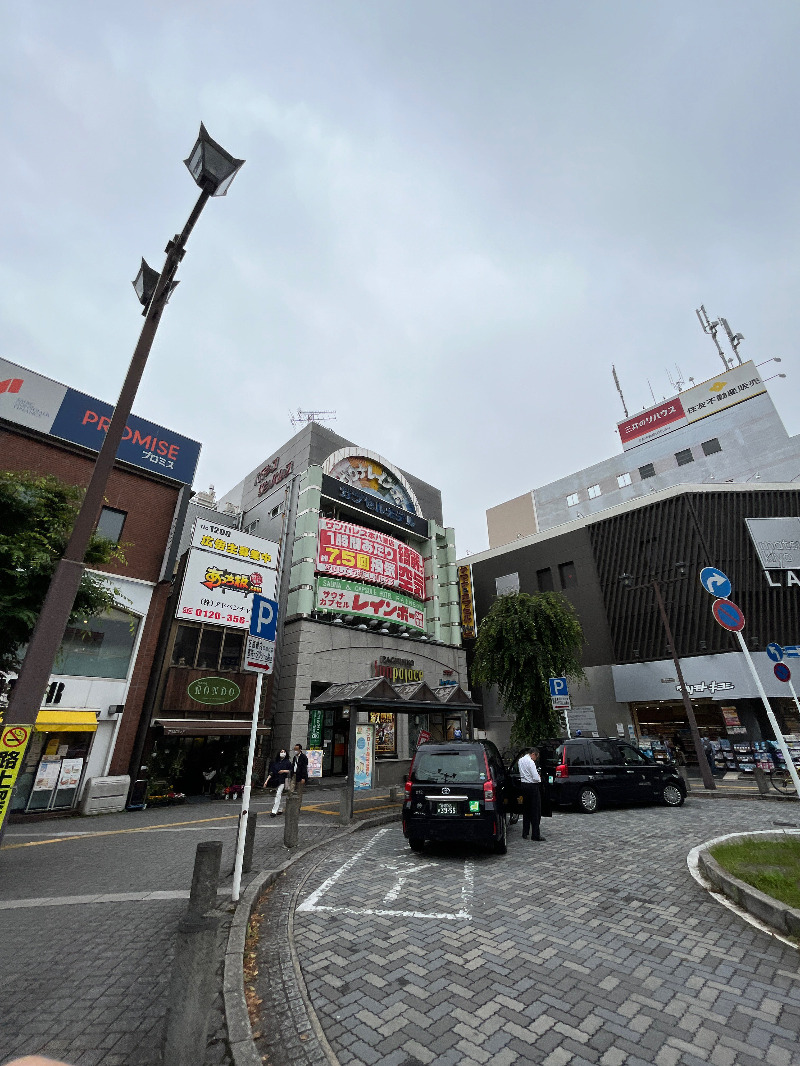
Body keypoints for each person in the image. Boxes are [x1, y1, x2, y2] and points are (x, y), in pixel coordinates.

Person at [518, 746, 546, 842]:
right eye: (536, 757)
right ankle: (535, 834)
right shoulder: (530, 762)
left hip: (524, 785)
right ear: (533, 754)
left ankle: (525, 832)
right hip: (532, 787)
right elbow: (535, 777)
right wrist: (539, 778)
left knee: (526, 810)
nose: (536, 759)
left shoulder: (520, 760)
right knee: (535, 811)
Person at [264, 748, 291, 816]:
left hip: (282, 780)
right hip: (275, 780)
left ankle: (274, 811)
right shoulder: (275, 763)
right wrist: (266, 781)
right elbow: (271, 773)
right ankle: (280, 808)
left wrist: (283, 771)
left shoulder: (287, 762)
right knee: (278, 795)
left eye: (284, 752)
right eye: (281, 752)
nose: (283, 753)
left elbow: (291, 770)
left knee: (278, 794)